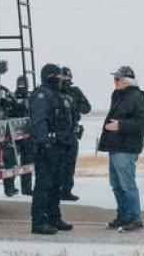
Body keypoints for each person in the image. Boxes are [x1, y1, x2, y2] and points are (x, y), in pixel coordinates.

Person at [98, 65, 144, 232]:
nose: (115, 81)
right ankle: (123, 216)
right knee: (116, 184)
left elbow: (142, 123)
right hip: (115, 145)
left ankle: (135, 218)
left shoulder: (137, 96)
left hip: (127, 148)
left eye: (118, 79)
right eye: (114, 78)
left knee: (127, 184)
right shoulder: (118, 95)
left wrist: (120, 125)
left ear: (127, 80)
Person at [29, 64, 73, 235]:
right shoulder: (42, 95)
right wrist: (45, 141)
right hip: (47, 148)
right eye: (59, 77)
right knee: (44, 185)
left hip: (59, 146)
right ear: (50, 77)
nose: (61, 80)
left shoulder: (57, 94)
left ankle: (54, 218)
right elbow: (39, 121)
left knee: (56, 185)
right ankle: (39, 222)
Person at [59, 67, 92, 201]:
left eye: (67, 77)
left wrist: (73, 105)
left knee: (70, 164)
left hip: (72, 132)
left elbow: (87, 108)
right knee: (58, 164)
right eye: (63, 77)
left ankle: (67, 190)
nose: (65, 80)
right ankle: (57, 189)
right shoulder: (54, 92)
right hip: (59, 133)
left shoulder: (75, 91)